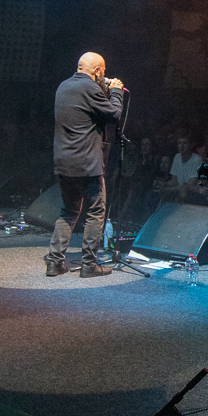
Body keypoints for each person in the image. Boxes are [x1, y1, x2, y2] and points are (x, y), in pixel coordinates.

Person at [45, 53, 124, 278]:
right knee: (95, 213)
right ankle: (89, 265)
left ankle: (54, 262)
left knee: (68, 211)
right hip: (87, 164)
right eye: (104, 72)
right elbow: (114, 114)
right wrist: (116, 91)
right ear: (97, 71)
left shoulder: (63, 86)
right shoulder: (90, 88)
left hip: (64, 162)